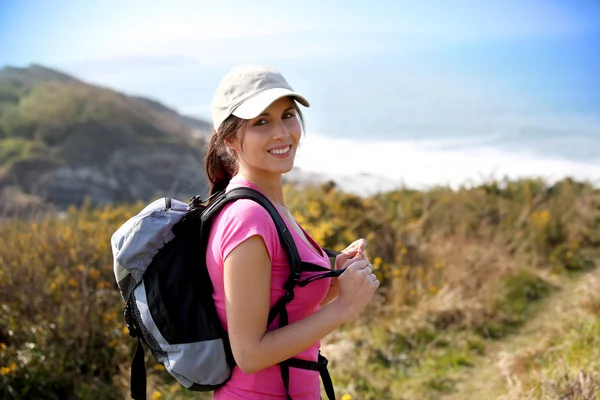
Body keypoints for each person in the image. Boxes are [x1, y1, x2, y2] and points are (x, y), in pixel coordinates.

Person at [204, 63, 380, 400]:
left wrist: (334, 276)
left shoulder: (270, 206)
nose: (282, 133)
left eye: (287, 115)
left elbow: (283, 306)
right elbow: (250, 354)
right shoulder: (248, 218)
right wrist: (344, 308)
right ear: (230, 139)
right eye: (261, 122)